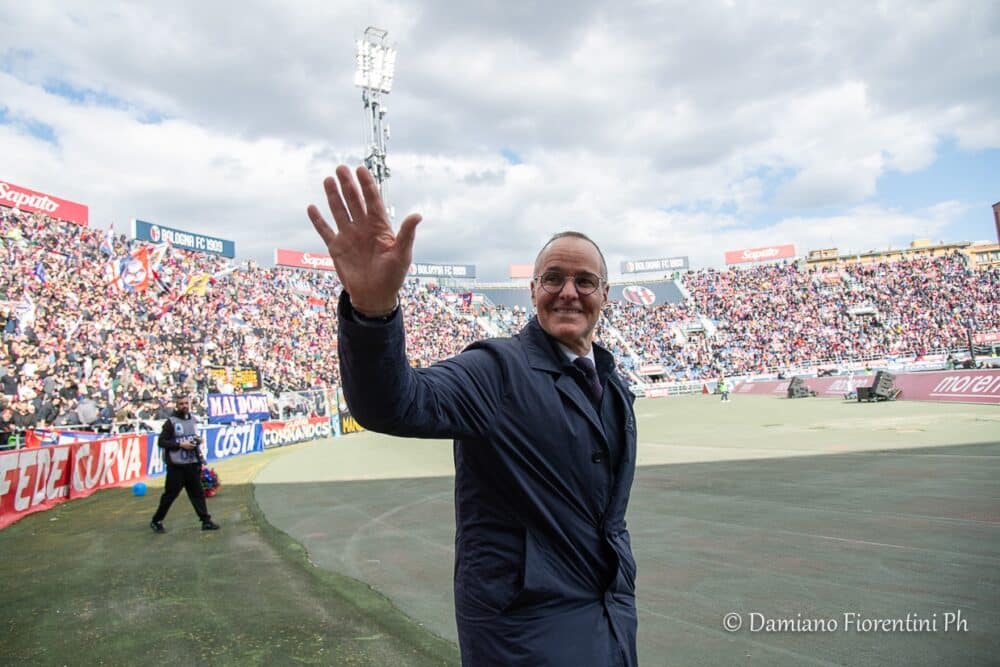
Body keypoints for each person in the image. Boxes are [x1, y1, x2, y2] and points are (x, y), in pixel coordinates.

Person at [307, 166, 638, 666]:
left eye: (585, 281)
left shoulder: (614, 385)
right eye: (553, 278)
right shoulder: (495, 370)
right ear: (532, 291)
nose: (568, 292)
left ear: (605, 296)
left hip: (609, 623)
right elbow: (395, 403)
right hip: (525, 639)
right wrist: (372, 312)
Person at [150, 393, 219, 532]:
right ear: (176, 405)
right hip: (177, 466)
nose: (184, 406)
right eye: (181, 404)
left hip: (192, 464)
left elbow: (192, 437)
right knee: (170, 495)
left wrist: (197, 442)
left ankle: (206, 521)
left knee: (198, 494)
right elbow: (162, 441)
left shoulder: (193, 420)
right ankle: (156, 520)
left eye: (186, 403)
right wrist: (180, 445)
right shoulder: (171, 422)